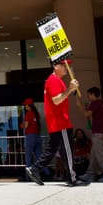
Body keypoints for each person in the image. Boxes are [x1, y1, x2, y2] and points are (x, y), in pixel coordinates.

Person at [25, 59, 89, 187]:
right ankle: (72, 177)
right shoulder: (53, 80)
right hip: (61, 121)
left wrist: (71, 89)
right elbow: (56, 100)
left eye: (67, 65)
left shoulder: (54, 80)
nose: (66, 67)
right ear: (55, 66)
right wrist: (70, 89)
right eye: (63, 65)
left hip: (56, 121)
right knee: (67, 149)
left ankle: (35, 169)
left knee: (52, 148)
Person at [77, 86, 103, 182]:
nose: (87, 96)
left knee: (100, 155)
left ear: (93, 94)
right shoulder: (101, 103)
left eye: (88, 94)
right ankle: (90, 174)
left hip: (98, 132)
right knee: (93, 155)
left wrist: (80, 106)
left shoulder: (95, 102)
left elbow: (87, 114)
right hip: (101, 132)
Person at [22, 98, 44, 177]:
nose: (24, 106)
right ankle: (45, 173)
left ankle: (28, 175)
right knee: (39, 156)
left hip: (30, 136)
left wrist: (22, 125)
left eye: (25, 105)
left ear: (28, 105)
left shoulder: (28, 114)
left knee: (28, 156)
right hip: (37, 136)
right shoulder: (36, 113)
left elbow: (26, 125)